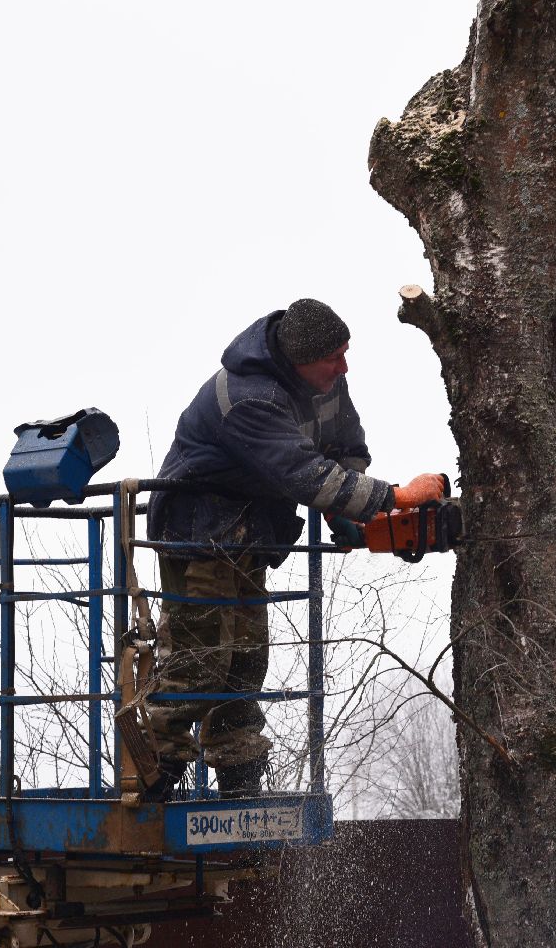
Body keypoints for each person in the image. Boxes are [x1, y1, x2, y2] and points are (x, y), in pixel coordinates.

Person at [142, 298, 447, 799]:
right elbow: (302, 474)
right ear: (301, 357)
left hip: (251, 534)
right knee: (199, 657)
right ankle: (154, 779)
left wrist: (346, 510)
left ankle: (239, 779)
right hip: (200, 530)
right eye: (334, 358)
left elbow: (342, 449)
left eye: (345, 353)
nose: (343, 367)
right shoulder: (247, 397)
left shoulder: (324, 382)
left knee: (244, 657)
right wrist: (395, 497)